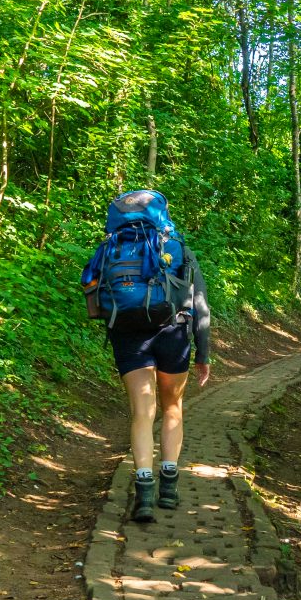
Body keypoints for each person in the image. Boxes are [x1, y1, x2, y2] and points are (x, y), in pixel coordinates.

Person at [103, 196, 211, 523]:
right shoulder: (176, 246)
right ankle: (168, 488)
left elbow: (96, 291)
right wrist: (202, 353)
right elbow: (200, 304)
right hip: (172, 332)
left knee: (142, 413)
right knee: (172, 408)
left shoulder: (114, 246)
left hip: (128, 333)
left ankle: (144, 494)